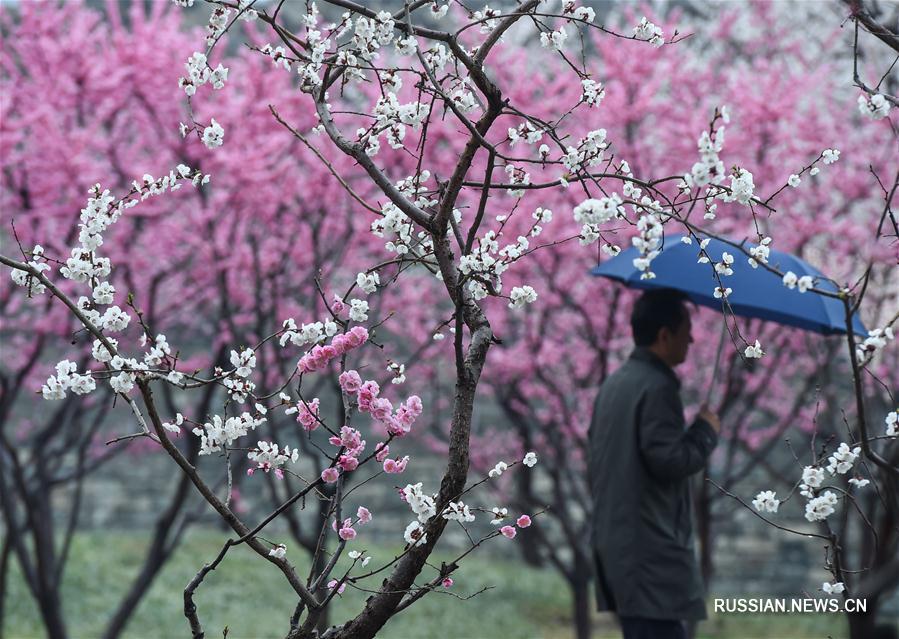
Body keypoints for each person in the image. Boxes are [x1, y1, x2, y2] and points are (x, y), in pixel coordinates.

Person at [588, 288, 721, 639]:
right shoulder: (658, 386)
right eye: (685, 330)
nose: (692, 339)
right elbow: (670, 461)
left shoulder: (614, 383)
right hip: (650, 557)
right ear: (664, 335)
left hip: (620, 549)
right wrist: (706, 431)